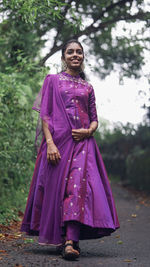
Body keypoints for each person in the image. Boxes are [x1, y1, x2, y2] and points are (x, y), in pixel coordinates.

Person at [21, 39, 120, 260]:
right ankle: (63, 236)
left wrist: (87, 132)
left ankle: (70, 241)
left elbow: (94, 120)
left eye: (79, 52)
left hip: (83, 146)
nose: (75, 55)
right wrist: (50, 143)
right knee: (59, 191)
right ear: (63, 56)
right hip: (58, 144)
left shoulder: (88, 87)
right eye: (70, 52)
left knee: (77, 189)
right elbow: (45, 115)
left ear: (83, 57)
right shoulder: (53, 81)